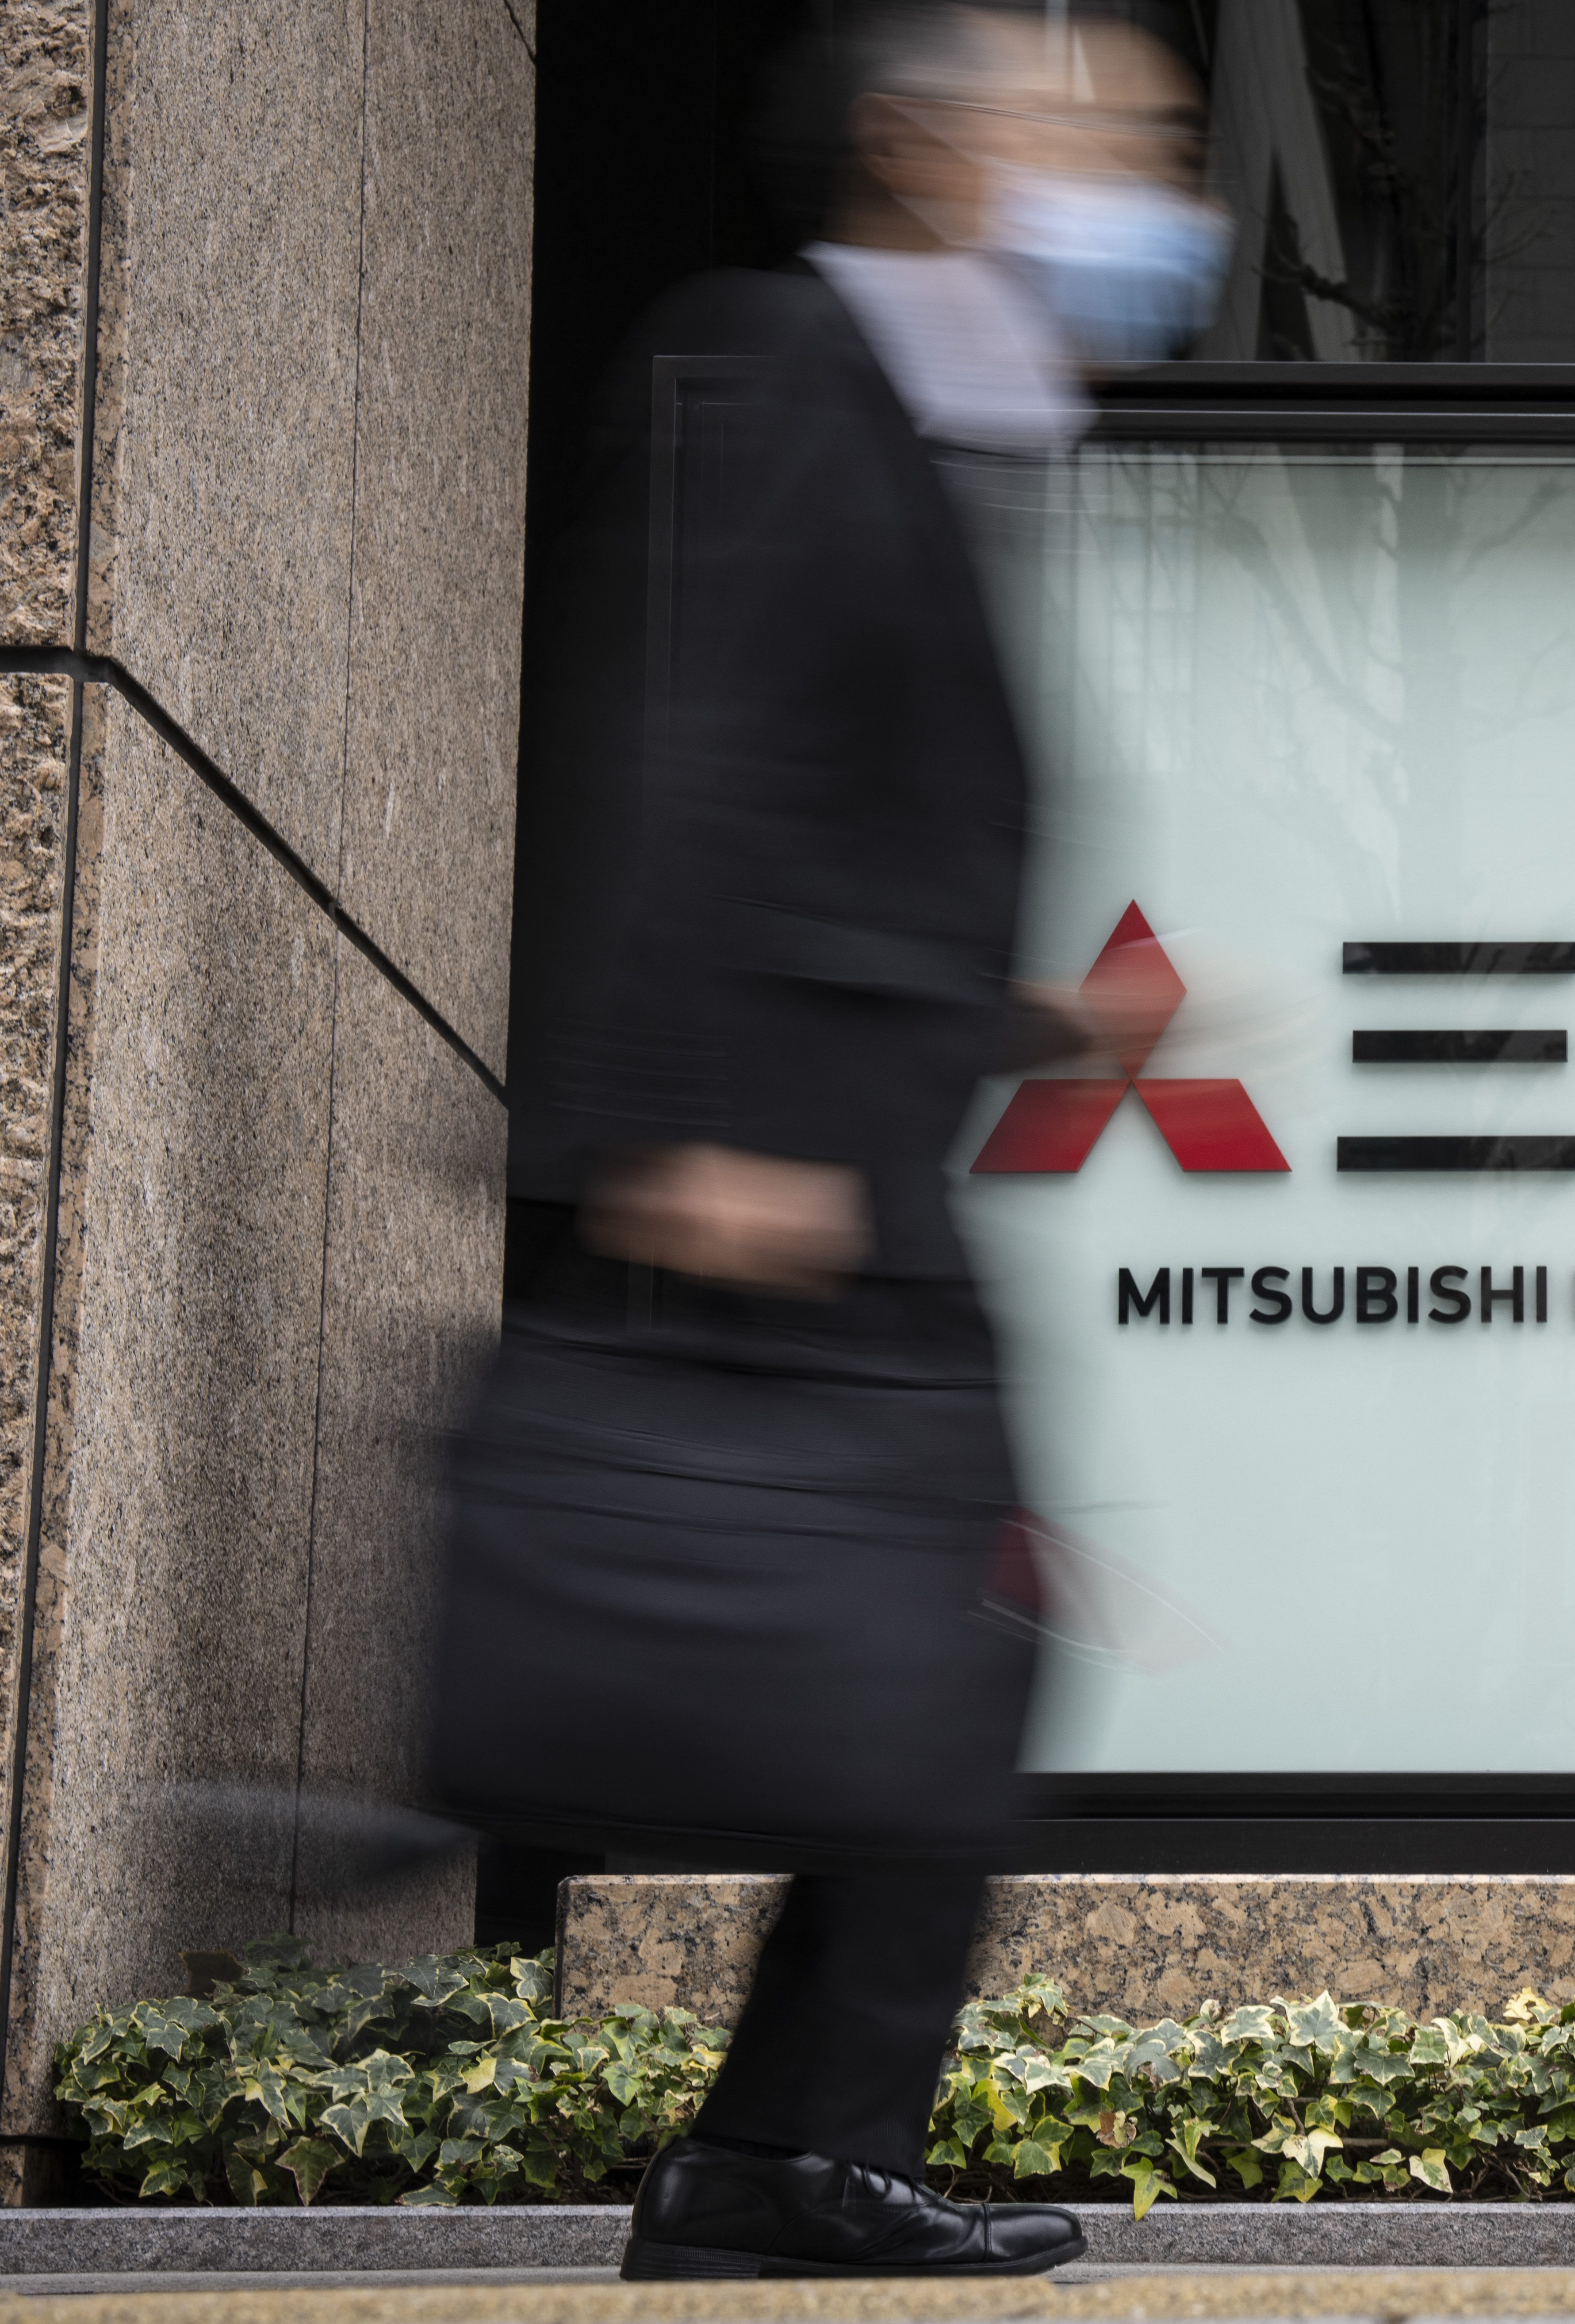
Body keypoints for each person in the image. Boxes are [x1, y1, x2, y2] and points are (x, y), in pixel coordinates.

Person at [429, 0, 1225, 2281]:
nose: (1156, 208)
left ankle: (787, 2147)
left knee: (963, 1641)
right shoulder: (788, 364)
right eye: (1110, 148)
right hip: (783, 1174)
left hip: (847, 1145)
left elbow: (834, 818)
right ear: (920, 149)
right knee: (959, 1638)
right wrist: (685, 1131)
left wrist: (1033, 1015)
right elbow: (688, 744)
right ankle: (787, 2148)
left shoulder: (944, 422)